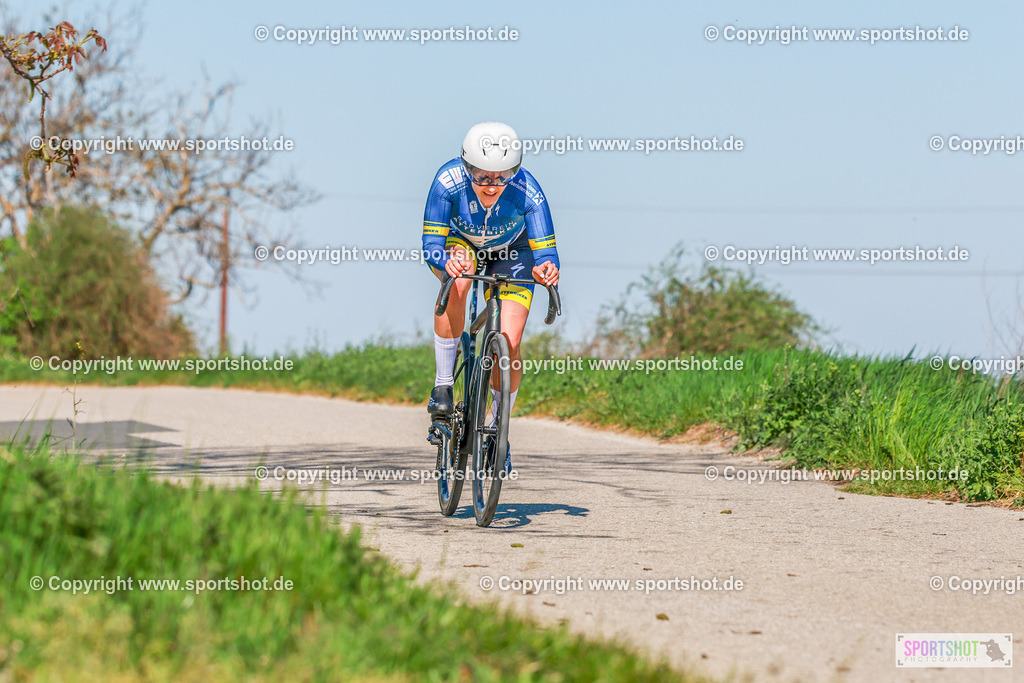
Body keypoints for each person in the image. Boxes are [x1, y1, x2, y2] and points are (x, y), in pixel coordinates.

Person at [422, 121, 560, 474]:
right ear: (466, 168)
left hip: (514, 253)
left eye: (502, 177)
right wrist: (446, 262)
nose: (491, 185)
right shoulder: (447, 183)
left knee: (510, 341)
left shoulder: (529, 192)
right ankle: (442, 386)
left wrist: (546, 270)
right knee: (461, 280)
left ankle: (499, 426)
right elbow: (431, 247)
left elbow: (546, 254)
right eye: (481, 177)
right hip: (462, 244)